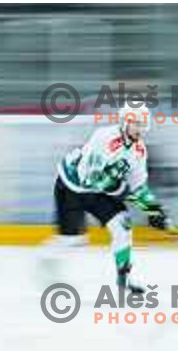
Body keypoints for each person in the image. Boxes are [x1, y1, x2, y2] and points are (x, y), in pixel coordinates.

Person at [45, 104, 171, 293]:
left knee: (123, 224)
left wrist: (154, 211)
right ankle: (46, 259)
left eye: (143, 124)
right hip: (72, 186)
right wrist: (123, 191)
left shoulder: (139, 151)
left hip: (97, 192)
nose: (141, 129)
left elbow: (138, 186)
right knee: (73, 240)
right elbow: (92, 177)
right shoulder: (103, 137)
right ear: (124, 122)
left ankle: (124, 280)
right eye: (136, 124)